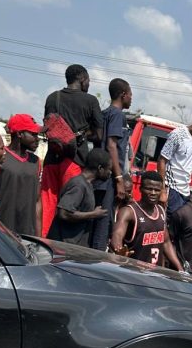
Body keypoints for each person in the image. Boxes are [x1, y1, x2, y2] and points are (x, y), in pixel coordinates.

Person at [41, 65, 103, 237]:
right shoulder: (90, 101)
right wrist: (84, 133)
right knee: (70, 206)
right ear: (82, 79)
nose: (89, 84)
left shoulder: (52, 97)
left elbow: (48, 126)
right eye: (88, 81)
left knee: (47, 206)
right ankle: (62, 247)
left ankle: (43, 243)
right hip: (74, 161)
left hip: (52, 159)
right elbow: (99, 135)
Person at [90, 78, 133, 251]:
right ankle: (97, 259)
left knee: (98, 219)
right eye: (130, 95)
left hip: (100, 176)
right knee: (103, 222)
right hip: (109, 177)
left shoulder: (104, 113)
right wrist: (119, 178)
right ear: (123, 95)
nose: (131, 99)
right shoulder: (117, 115)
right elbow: (111, 145)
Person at [111, 170, 182, 268]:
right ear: (140, 189)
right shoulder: (129, 212)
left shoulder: (161, 210)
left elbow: (166, 242)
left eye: (157, 190)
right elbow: (117, 234)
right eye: (149, 189)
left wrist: (180, 268)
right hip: (134, 271)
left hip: (155, 273)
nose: (153, 193)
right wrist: (119, 250)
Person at [47, 148, 110, 247]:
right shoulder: (79, 185)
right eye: (109, 169)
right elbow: (64, 213)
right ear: (100, 168)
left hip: (72, 246)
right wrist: (93, 214)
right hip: (63, 247)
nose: (110, 172)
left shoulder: (88, 185)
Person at [0, 114, 42, 235]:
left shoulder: (36, 161)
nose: (37, 139)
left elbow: (37, 201)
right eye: (33, 134)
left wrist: (39, 237)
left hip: (28, 235)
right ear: (20, 134)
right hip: (2, 232)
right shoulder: (0, 157)